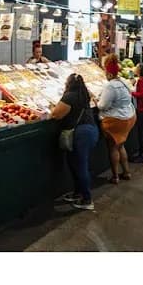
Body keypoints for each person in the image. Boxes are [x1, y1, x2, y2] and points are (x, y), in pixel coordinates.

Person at [50, 73, 98, 210]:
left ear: (68, 84)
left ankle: (87, 200)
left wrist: (54, 107)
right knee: (75, 164)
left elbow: (56, 114)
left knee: (81, 166)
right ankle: (78, 193)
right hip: (91, 130)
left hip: (81, 134)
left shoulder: (69, 96)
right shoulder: (84, 94)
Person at [98, 54, 137, 184]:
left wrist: (96, 101)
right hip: (129, 117)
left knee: (113, 147)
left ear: (108, 73)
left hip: (116, 121)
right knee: (120, 145)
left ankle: (115, 177)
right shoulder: (124, 82)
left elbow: (103, 105)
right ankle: (127, 172)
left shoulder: (110, 86)